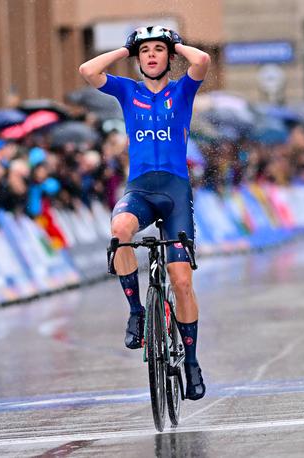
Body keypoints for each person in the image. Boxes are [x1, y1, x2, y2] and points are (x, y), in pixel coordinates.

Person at [79, 25, 210, 400]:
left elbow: (201, 60)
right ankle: (137, 311)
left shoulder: (182, 89)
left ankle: (191, 362)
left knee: (181, 280)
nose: (152, 55)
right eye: (145, 51)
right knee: (119, 226)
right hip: (139, 189)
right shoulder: (128, 90)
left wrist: (176, 42)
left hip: (174, 192)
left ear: (169, 56)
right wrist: (125, 49)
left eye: (159, 50)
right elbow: (89, 71)